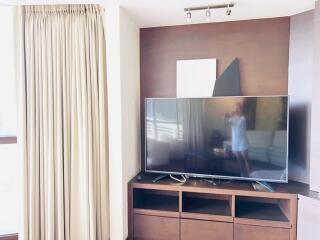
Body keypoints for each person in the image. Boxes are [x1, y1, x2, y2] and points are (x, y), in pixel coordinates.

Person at [225, 103, 250, 177]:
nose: (236, 109)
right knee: (238, 159)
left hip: (242, 141)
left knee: (246, 158)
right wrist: (226, 116)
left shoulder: (243, 117)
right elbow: (225, 123)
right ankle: (242, 173)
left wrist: (232, 115)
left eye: (238, 108)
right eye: (235, 108)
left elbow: (240, 120)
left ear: (241, 109)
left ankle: (250, 175)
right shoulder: (232, 118)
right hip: (235, 141)